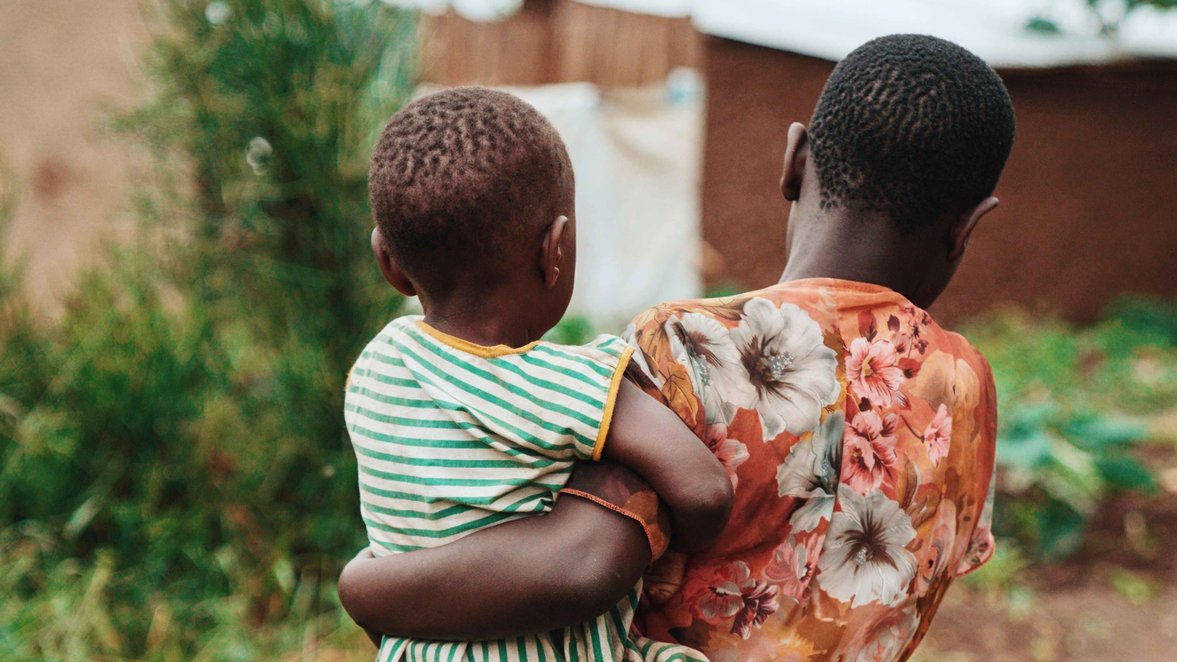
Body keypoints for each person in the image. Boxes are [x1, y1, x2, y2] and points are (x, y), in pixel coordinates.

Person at [340, 34, 1015, 661]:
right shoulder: (967, 392)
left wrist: (362, 585)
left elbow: (573, 565)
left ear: (793, 161)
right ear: (969, 226)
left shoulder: (689, 348)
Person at [343, 87, 732, 661]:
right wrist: (673, 551)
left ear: (388, 262)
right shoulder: (568, 382)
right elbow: (704, 490)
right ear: (556, 248)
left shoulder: (373, 373)